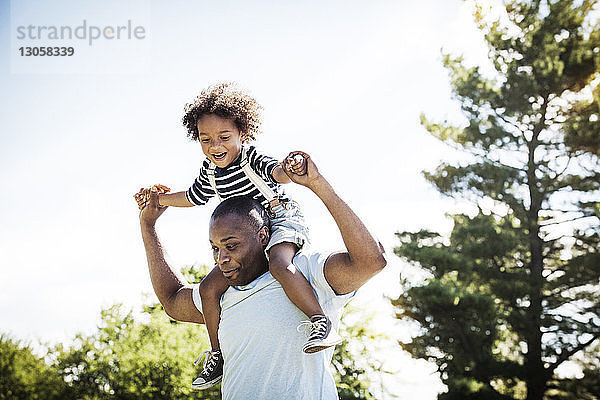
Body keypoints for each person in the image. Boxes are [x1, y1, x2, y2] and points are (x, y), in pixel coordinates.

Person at [134, 82, 338, 390]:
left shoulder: (250, 158)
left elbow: (277, 174)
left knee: (281, 266)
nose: (215, 145)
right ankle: (217, 354)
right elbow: (193, 196)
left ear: (242, 134)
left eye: (224, 137)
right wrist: (158, 201)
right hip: (246, 238)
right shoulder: (210, 171)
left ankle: (320, 322)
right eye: (206, 139)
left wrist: (290, 168)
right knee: (207, 288)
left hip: (279, 219)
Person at [138, 151, 387, 399]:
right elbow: (172, 300)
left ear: (263, 237)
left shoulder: (305, 272)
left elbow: (371, 261)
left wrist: (317, 184)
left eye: (232, 246)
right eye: (215, 248)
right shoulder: (221, 296)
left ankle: (320, 321)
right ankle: (217, 356)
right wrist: (148, 225)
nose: (221, 258)